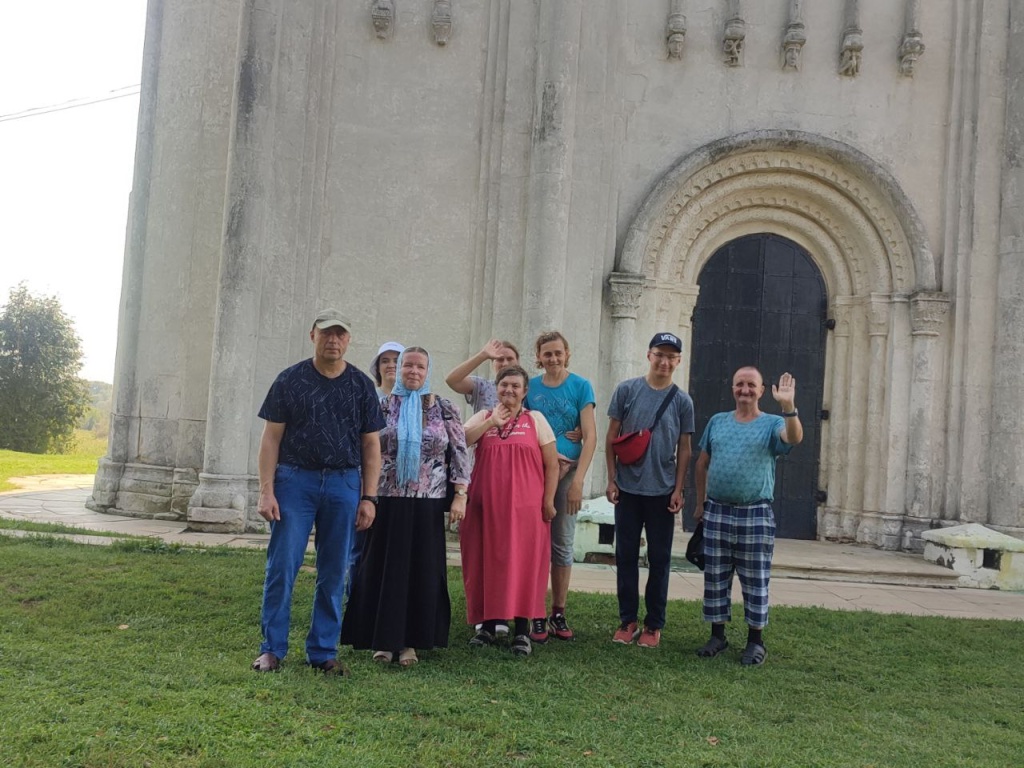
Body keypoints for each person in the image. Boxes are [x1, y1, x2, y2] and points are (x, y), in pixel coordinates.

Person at [251, 308, 383, 675]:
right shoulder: (290, 380)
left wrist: (369, 497)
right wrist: (267, 490)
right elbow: (271, 438)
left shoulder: (360, 385)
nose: (333, 340)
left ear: (348, 340)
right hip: (295, 481)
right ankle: (272, 648)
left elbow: (371, 445)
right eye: (326, 333)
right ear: (313, 336)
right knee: (283, 565)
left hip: (344, 483)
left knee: (335, 568)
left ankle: (323, 651)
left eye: (340, 334)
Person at [341, 347, 471, 666]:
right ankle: (383, 640)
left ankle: (411, 642)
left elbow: (459, 452)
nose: (413, 371)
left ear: (428, 372)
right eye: (407, 365)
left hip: (428, 502)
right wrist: (362, 495)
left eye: (420, 366)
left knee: (420, 570)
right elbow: (364, 450)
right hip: (385, 499)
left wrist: (460, 494)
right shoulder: (379, 406)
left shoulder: (443, 408)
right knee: (385, 569)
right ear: (398, 370)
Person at [694, 367, 803, 666]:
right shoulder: (717, 422)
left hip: (755, 512)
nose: (745, 390)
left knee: (755, 579)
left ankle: (755, 642)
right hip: (716, 510)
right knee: (715, 576)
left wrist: (789, 406)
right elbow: (702, 463)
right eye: (739, 384)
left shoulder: (773, 423)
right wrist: (700, 504)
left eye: (751, 385)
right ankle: (718, 635)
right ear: (732, 388)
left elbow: (793, 438)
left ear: (762, 389)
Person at [460, 365, 559, 657]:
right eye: (504, 385)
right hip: (485, 507)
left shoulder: (536, 420)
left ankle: (521, 631)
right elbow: (462, 442)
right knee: (486, 563)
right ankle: (488, 626)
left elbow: (551, 464)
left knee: (524, 566)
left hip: (526, 510)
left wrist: (549, 500)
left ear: (525, 391)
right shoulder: (483, 417)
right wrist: (490, 424)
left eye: (516, 386)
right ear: (496, 388)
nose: (509, 391)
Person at [605, 332, 694, 649]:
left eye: (671, 357)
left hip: (662, 492)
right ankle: (627, 620)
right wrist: (612, 478)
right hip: (628, 489)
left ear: (678, 361)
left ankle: (653, 625)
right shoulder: (627, 390)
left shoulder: (682, 401)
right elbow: (612, 437)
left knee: (659, 560)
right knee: (625, 556)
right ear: (649, 355)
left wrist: (679, 489)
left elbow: (685, 448)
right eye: (660, 354)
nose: (665, 361)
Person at [523, 331, 597, 642]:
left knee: (562, 543)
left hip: (567, 474)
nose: (553, 359)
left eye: (558, 353)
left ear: (567, 354)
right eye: (547, 354)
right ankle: (535, 611)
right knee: (535, 544)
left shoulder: (581, 386)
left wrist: (578, 480)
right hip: (536, 473)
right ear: (538, 357)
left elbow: (590, 435)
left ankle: (558, 610)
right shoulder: (532, 387)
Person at [445, 339, 521, 413]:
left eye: (510, 359)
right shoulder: (482, 386)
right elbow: (452, 381)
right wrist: (483, 355)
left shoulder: (525, 388)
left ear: (518, 362)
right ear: (492, 364)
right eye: (500, 359)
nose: (505, 364)